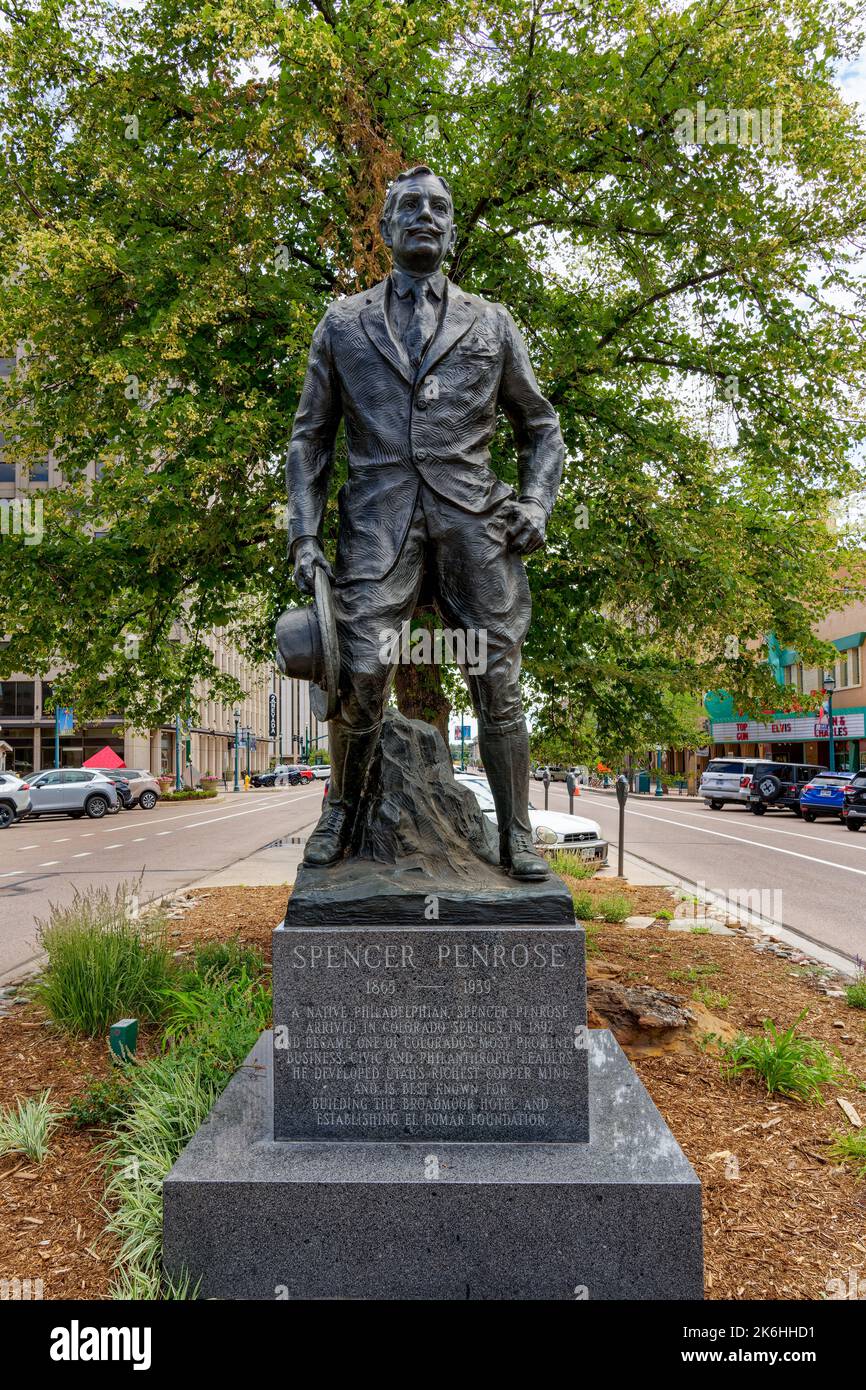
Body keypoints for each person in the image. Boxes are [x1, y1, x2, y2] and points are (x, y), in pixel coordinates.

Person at [287, 166, 564, 879]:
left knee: (496, 679)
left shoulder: (492, 321)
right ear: (385, 227)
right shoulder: (343, 322)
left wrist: (536, 503)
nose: (426, 216)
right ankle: (340, 811)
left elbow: (540, 426)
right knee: (361, 673)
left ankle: (518, 834)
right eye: (410, 206)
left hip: (476, 522)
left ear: (451, 228)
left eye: (439, 208)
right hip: (378, 524)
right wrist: (305, 537)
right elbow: (310, 438)